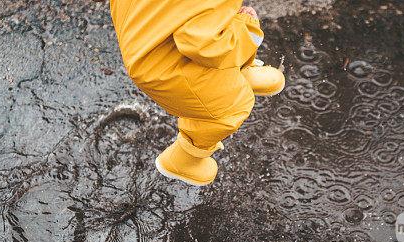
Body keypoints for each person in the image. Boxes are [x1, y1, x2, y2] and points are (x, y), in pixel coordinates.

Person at [107, 0, 286, 186]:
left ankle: (237, 72)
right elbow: (203, 45)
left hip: (142, 28)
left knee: (214, 18)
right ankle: (183, 160)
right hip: (159, 66)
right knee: (232, 106)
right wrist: (248, 30)